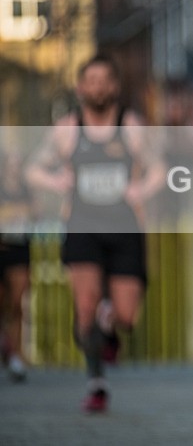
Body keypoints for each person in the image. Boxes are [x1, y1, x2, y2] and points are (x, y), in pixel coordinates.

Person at [26, 55, 165, 412]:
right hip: (83, 226)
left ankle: (109, 321)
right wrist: (56, 181)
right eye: (92, 80)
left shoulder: (130, 126)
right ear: (81, 87)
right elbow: (34, 169)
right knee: (84, 307)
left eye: (105, 80)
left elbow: (158, 169)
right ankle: (96, 381)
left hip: (125, 227)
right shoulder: (67, 129)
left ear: (115, 87)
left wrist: (142, 190)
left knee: (127, 316)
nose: (99, 86)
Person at [0, 151, 33, 382]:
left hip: (19, 250)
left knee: (17, 305)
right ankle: (6, 346)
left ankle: (16, 355)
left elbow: (36, 214)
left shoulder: (27, 190)